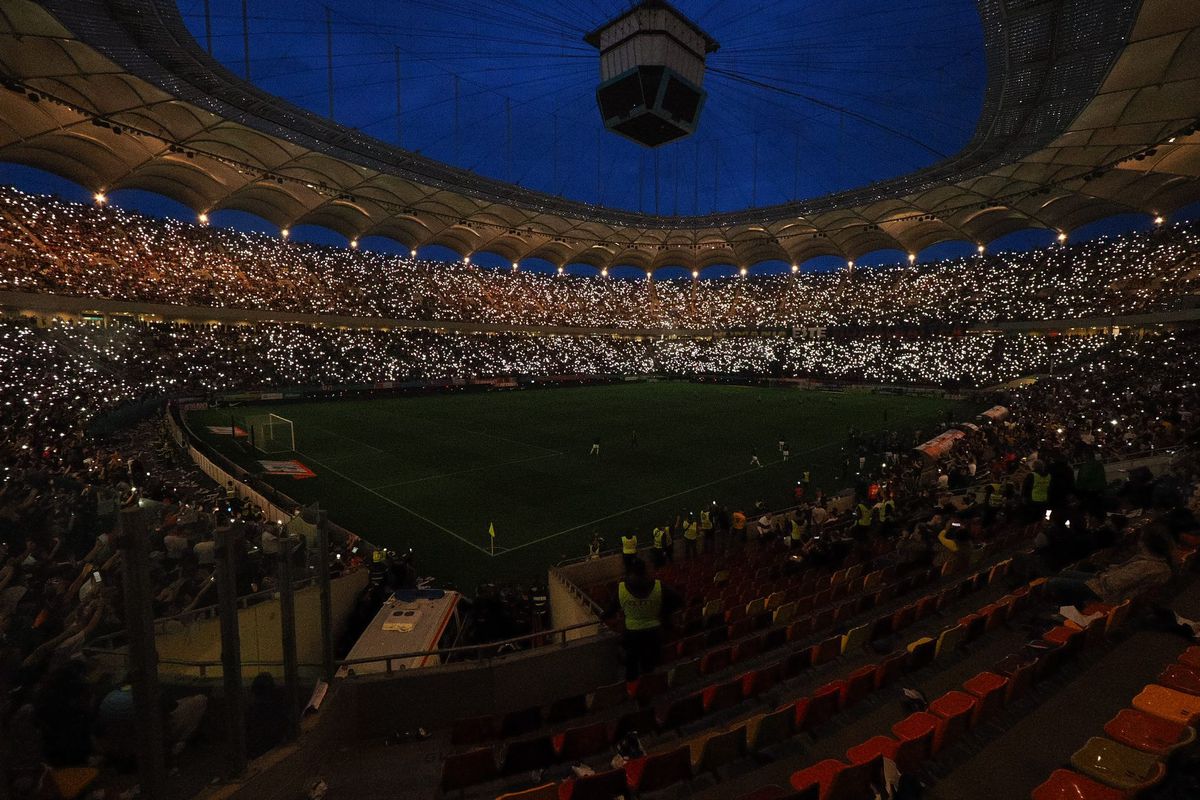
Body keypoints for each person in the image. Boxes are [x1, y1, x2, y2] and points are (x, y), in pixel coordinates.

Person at [1046, 527, 1177, 606]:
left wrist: (1105, 574)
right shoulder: (1157, 562)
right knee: (1066, 573)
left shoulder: (1147, 566)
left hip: (1106, 592)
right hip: (1105, 582)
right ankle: (1072, 605)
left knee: (1054, 583)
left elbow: (1112, 584)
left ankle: (1069, 609)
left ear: (1147, 544)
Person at [602, 558, 680, 681]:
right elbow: (678, 600)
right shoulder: (659, 586)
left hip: (632, 635)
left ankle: (633, 690)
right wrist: (663, 613)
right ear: (645, 571)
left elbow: (610, 611)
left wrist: (603, 617)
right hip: (653, 634)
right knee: (649, 666)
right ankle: (648, 688)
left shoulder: (621, 588)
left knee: (631, 666)